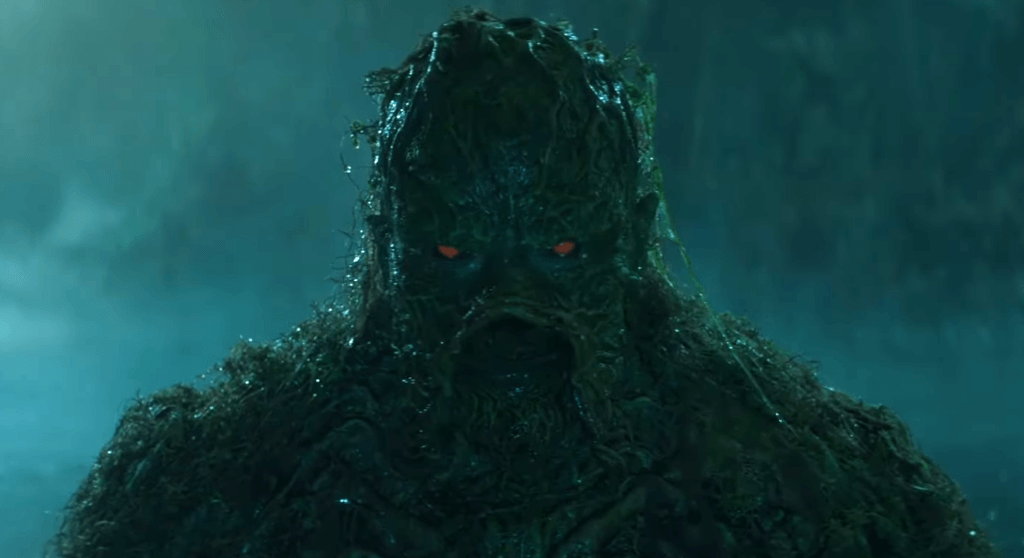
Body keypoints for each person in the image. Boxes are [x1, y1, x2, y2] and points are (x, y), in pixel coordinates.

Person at [49, 10, 999, 558]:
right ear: (386, 249)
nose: (508, 311)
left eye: (560, 252)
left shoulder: (799, 488)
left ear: (631, 239)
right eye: (453, 257)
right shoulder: (222, 488)